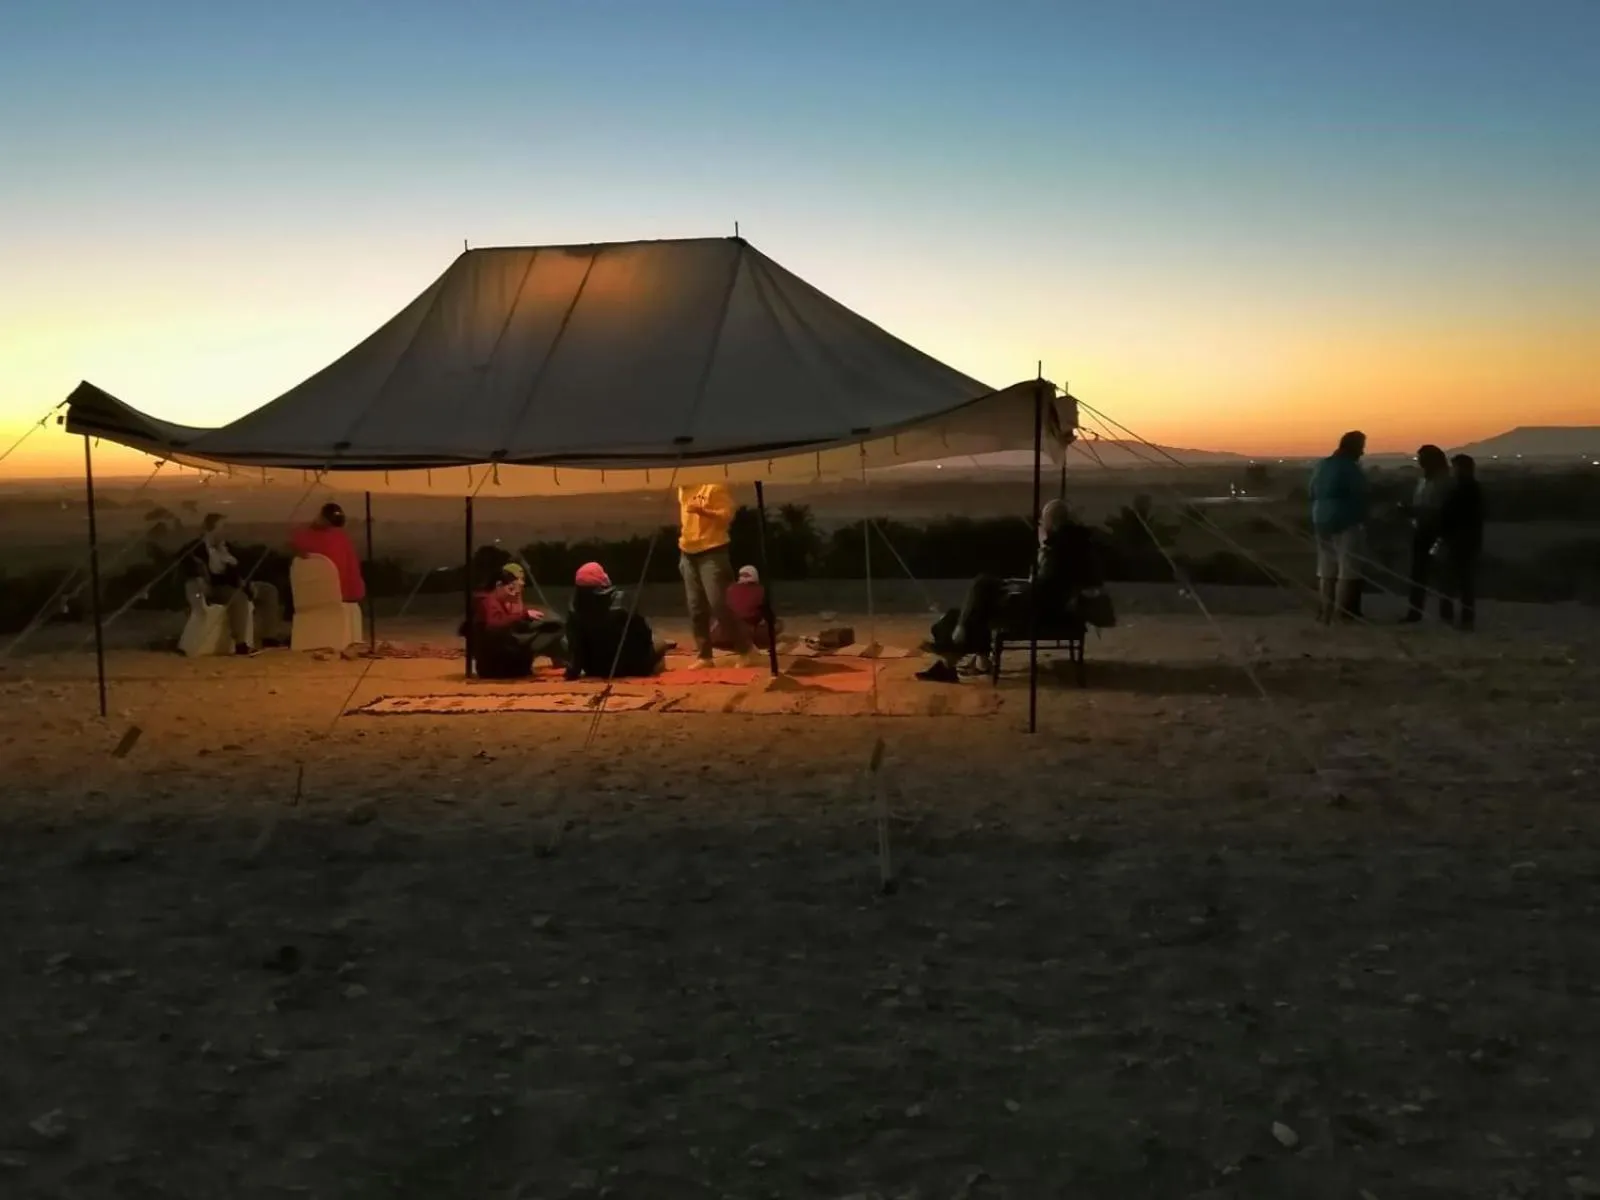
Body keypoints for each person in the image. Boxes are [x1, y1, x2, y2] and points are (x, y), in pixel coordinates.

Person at [917, 499, 1106, 682]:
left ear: (1051, 523)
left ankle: (956, 643)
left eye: (1043, 520)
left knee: (982, 588)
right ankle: (961, 653)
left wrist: (1041, 553)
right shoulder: (1077, 546)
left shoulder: (1058, 551)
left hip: (1042, 613)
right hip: (1054, 608)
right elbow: (1049, 586)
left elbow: (1044, 591)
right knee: (977, 603)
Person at [677, 483, 757, 667]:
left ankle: (746, 649)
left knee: (719, 604)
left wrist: (704, 511)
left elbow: (727, 516)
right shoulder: (683, 488)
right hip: (688, 552)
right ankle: (704, 655)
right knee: (696, 607)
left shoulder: (714, 486)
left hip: (712, 550)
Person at [184, 513, 286, 655]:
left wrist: (245, 580)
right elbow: (194, 570)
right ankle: (241, 644)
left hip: (236, 584)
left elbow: (240, 568)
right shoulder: (197, 549)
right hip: (216, 588)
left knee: (269, 590)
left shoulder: (227, 548)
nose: (227, 531)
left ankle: (269, 636)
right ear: (212, 529)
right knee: (238, 598)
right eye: (223, 527)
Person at [565, 561, 668, 680]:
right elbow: (645, 634)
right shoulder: (622, 600)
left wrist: (572, 671)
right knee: (660, 642)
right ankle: (654, 671)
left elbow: (576, 648)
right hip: (634, 667)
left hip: (596, 669)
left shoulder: (574, 609)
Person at [467, 563, 568, 679]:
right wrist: (523, 615)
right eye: (510, 588)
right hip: (497, 666)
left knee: (552, 627)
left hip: (499, 659)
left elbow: (511, 619)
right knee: (551, 631)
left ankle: (560, 663)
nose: (513, 592)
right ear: (499, 585)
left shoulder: (495, 600)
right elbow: (495, 625)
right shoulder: (488, 602)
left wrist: (524, 614)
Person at [1310, 431, 1369, 624]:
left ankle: (1324, 613)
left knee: (1326, 570)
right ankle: (1340, 614)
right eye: (1361, 447)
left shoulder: (1322, 465)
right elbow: (1362, 492)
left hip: (1321, 519)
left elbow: (1312, 491)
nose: (1362, 452)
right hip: (1346, 520)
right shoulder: (1350, 468)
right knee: (1347, 570)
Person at [1403, 444, 1453, 623]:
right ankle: (1414, 612)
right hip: (1421, 529)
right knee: (1418, 573)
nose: (1420, 463)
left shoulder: (1444, 481)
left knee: (1442, 574)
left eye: (1422, 459)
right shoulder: (1423, 481)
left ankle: (1446, 614)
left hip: (1439, 531)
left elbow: (1441, 508)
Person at [1437, 453, 1485, 631]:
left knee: (1452, 581)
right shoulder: (1470, 488)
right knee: (1464, 582)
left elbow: (1452, 514)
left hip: (1459, 540)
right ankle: (1464, 618)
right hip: (1467, 540)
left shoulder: (1464, 489)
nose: (1453, 471)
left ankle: (1451, 618)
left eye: (1455, 467)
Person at [290, 502, 366, 605]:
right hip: (351, 596)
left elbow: (292, 542)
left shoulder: (309, 537)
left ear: (322, 519)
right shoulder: (343, 539)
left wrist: (311, 527)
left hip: (324, 596)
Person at [713, 564, 781, 650]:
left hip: (721, 631)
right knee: (778, 624)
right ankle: (750, 643)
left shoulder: (730, 588)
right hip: (746, 631)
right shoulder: (760, 590)